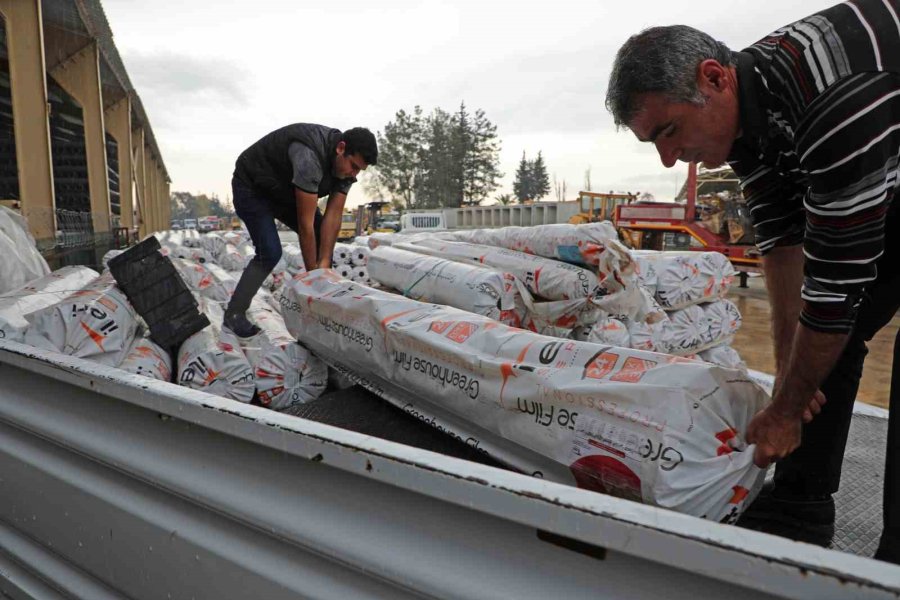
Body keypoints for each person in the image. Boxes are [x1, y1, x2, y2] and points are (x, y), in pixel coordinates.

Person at [606, 0, 899, 562]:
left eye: (669, 132)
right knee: (830, 339)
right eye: (654, 145)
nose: (670, 160)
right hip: (885, 152)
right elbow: (784, 245)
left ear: (714, 79)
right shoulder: (750, 124)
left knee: (839, 313)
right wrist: (790, 381)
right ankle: (798, 506)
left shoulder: (832, 99)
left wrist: (787, 411)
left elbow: (835, 283)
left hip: (878, 127)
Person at [224, 124, 377, 337]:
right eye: (353, 166)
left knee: (321, 237)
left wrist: (324, 266)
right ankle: (234, 314)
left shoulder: (347, 170)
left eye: (359, 169)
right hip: (252, 187)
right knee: (270, 252)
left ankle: (321, 309)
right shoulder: (309, 156)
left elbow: (332, 219)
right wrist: (314, 277)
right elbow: (305, 227)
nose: (353, 173)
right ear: (341, 148)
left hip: (284, 190)